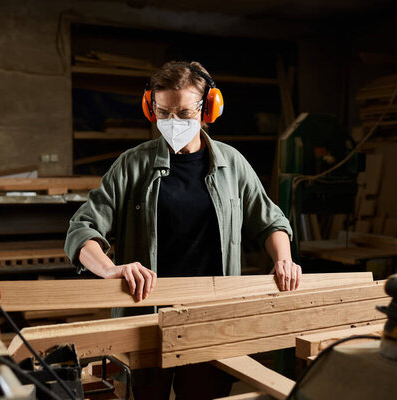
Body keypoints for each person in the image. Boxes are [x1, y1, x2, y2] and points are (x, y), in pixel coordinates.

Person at [64, 61, 301, 399]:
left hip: (211, 318)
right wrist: (111, 269)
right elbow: (81, 229)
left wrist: (284, 259)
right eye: (163, 112)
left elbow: (270, 221)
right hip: (145, 317)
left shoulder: (231, 164)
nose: (173, 122)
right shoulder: (132, 165)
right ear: (151, 108)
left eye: (185, 113)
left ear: (209, 110)